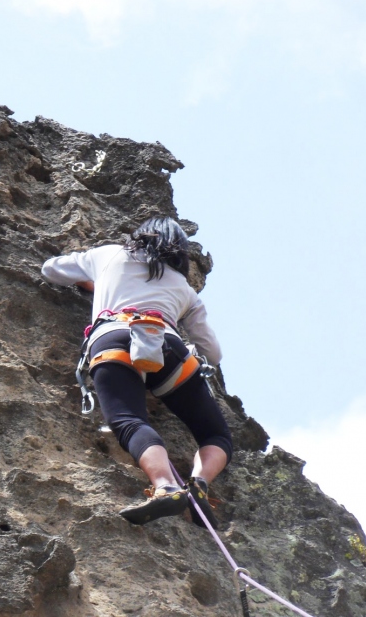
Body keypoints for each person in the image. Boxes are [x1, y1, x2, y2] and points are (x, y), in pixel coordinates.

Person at [41, 216, 232, 528]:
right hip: (168, 349)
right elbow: (213, 353)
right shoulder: (184, 289)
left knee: (129, 421)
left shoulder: (110, 255)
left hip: (113, 338)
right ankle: (198, 485)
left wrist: (95, 285)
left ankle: (166, 487)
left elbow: (51, 269)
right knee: (216, 434)